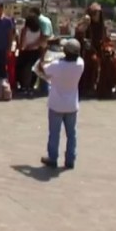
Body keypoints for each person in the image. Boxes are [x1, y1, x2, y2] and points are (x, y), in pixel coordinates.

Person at [39, 39, 85, 170]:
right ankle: (70, 159)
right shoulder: (80, 64)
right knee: (72, 134)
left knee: (54, 133)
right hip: (71, 105)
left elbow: (43, 68)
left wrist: (44, 52)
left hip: (56, 104)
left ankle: (52, 158)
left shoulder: (57, 65)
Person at [16, 13, 43, 94]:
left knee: (23, 69)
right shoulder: (39, 30)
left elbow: (22, 42)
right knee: (33, 70)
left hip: (26, 52)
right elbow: (40, 41)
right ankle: (31, 86)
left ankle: (24, 86)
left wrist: (22, 48)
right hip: (36, 52)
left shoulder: (25, 29)